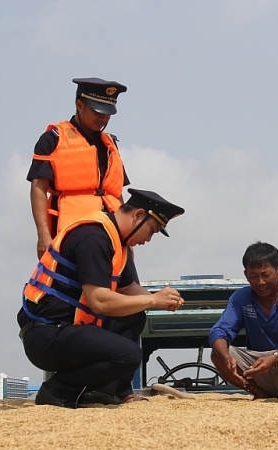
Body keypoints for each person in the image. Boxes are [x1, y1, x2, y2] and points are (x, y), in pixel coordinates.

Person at [18, 189, 185, 408]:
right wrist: (153, 301)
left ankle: (104, 391)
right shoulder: (94, 236)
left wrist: (161, 300)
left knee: (134, 317)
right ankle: (57, 391)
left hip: (70, 330)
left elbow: (128, 288)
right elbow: (99, 301)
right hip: (46, 333)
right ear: (138, 215)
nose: (148, 239)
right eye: (151, 230)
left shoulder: (118, 242)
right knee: (129, 355)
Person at [27, 77, 130, 259]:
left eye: (107, 113)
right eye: (97, 111)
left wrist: (127, 239)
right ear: (79, 104)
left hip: (111, 232)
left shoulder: (110, 144)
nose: (103, 118)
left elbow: (116, 192)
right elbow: (38, 188)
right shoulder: (54, 138)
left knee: (118, 285)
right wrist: (43, 234)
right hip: (71, 231)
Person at [209, 242, 278, 404]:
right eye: (253, 276)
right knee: (217, 354)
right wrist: (226, 358)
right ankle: (259, 393)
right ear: (246, 274)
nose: (260, 282)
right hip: (258, 367)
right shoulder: (241, 297)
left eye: (265, 275)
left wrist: (275, 357)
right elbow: (219, 331)